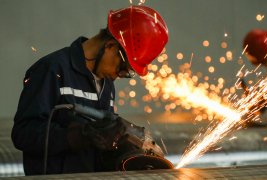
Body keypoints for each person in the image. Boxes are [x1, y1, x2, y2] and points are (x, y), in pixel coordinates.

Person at [12, 5, 169, 175]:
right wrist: (79, 136)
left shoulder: (106, 83)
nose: (119, 75)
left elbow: (101, 132)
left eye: (127, 73)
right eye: (123, 68)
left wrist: (129, 139)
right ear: (110, 46)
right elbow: (23, 134)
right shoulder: (52, 70)